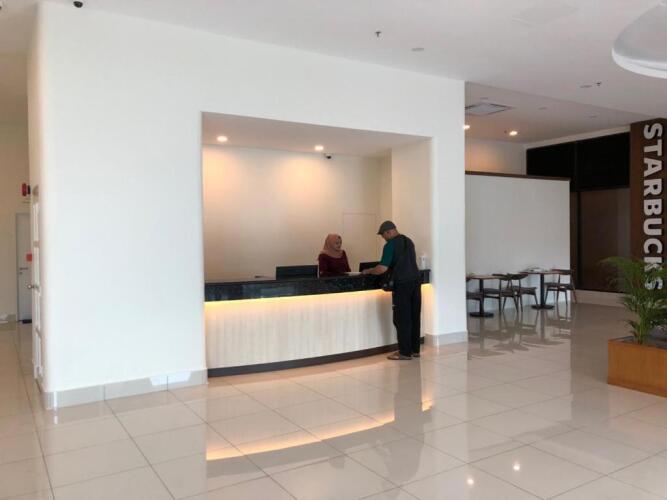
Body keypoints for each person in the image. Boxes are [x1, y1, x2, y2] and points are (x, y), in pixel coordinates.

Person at [362, 221, 421, 360]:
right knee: (414, 316)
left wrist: (369, 271)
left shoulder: (390, 245)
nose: (384, 238)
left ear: (388, 232)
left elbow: (382, 268)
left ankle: (404, 353)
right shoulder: (409, 241)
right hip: (416, 282)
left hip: (402, 284)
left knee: (402, 318)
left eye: (383, 235)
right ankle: (415, 350)